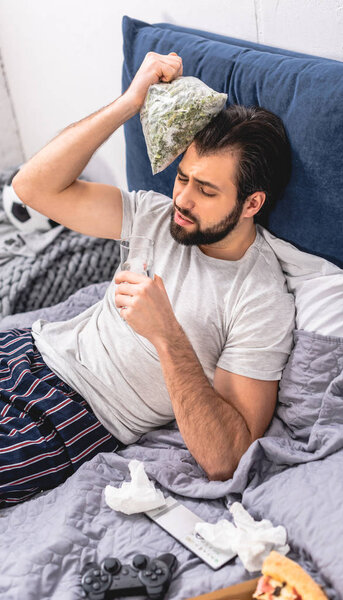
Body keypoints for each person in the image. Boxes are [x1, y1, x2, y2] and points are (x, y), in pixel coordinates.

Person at [1, 51, 295, 508]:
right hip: (28, 349)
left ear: (252, 204)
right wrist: (128, 102)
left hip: (73, 413)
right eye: (183, 178)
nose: (182, 198)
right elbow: (32, 187)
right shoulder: (155, 216)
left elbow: (226, 456)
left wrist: (167, 334)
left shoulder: (258, 297)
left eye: (206, 190)